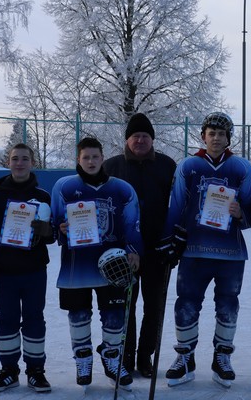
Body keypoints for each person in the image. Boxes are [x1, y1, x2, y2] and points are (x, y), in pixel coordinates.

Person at [157, 112, 251, 388]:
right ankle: (185, 357)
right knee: (186, 303)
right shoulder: (188, 166)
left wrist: (241, 213)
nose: (216, 138)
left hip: (230, 254)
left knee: (228, 305)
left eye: (221, 134)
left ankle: (222, 357)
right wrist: (169, 240)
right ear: (203, 136)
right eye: (211, 133)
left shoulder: (242, 168)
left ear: (228, 138)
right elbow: (175, 204)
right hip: (194, 250)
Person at [51, 137, 143, 391]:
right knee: (78, 314)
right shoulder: (64, 186)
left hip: (113, 264)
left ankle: (112, 358)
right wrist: (59, 228)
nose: (91, 161)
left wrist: (134, 250)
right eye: (85, 157)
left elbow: (132, 223)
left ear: (103, 158)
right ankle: (83, 359)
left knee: (114, 316)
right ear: (78, 160)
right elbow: (54, 222)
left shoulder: (123, 189)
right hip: (77, 264)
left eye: (95, 156)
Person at [102, 113, 177, 377]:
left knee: (154, 306)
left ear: (153, 139)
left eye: (146, 136)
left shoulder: (168, 165)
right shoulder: (111, 167)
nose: (141, 140)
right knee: (126, 305)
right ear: (127, 139)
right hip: (124, 251)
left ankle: (145, 356)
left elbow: (177, 205)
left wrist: (173, 242)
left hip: (158, 249)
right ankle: (126, 356)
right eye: (136, 136)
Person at [0, 143, 54, 393]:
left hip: (34, 271)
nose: (19, 163)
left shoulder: (42, 196)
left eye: (24, 159)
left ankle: (36, 370)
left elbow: (52, 236)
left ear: (32, 163)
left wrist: (47, 231)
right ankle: (9, 370)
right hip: (5, 272)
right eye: (14, 159)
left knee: (34, 319)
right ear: (8, 163)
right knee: (7, 320)